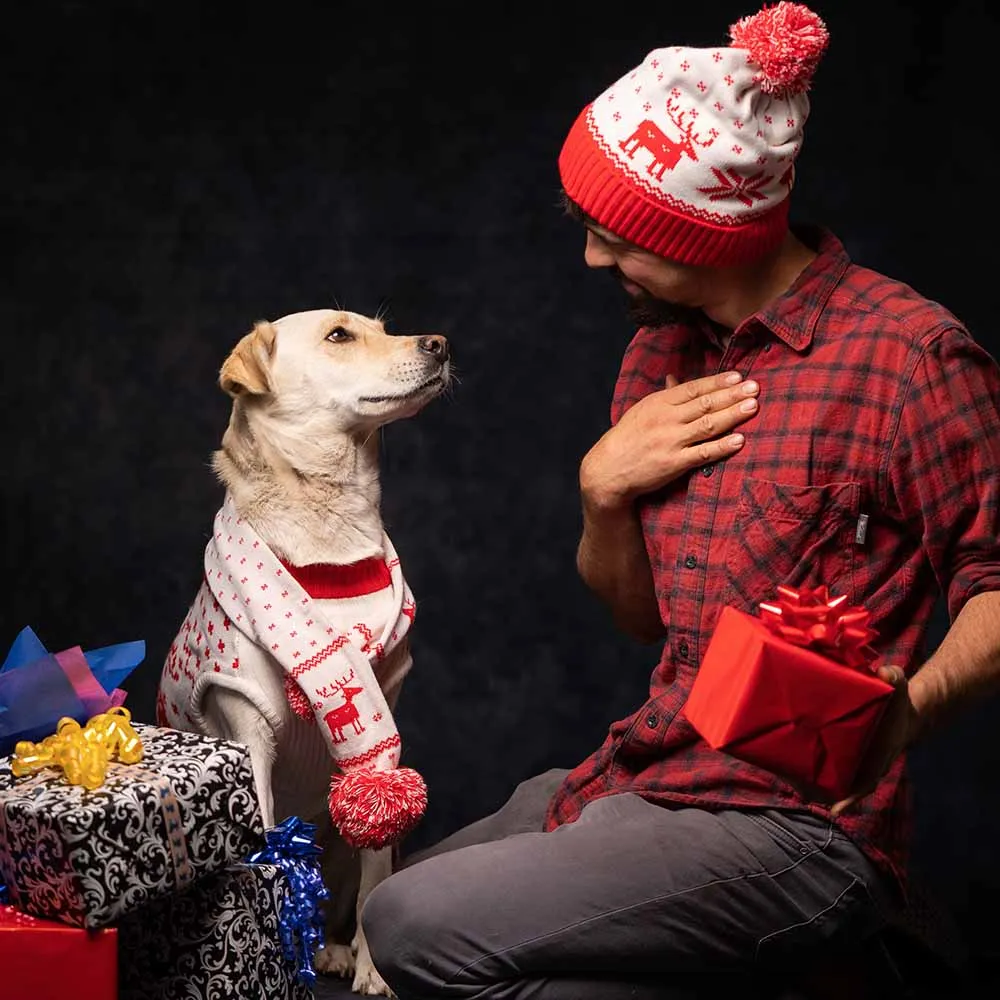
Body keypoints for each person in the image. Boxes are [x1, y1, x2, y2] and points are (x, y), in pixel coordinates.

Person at [360, 3, 1000, 997]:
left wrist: (900, 718)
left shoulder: (908, 357)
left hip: (801, 825)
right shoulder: (657, 351)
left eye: (617, 239)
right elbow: (642, 618)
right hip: (656, 772)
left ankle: (823, 952)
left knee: (410, 924)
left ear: (714, 231)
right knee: (407, 927)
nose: (590, 261)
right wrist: (600, 491)